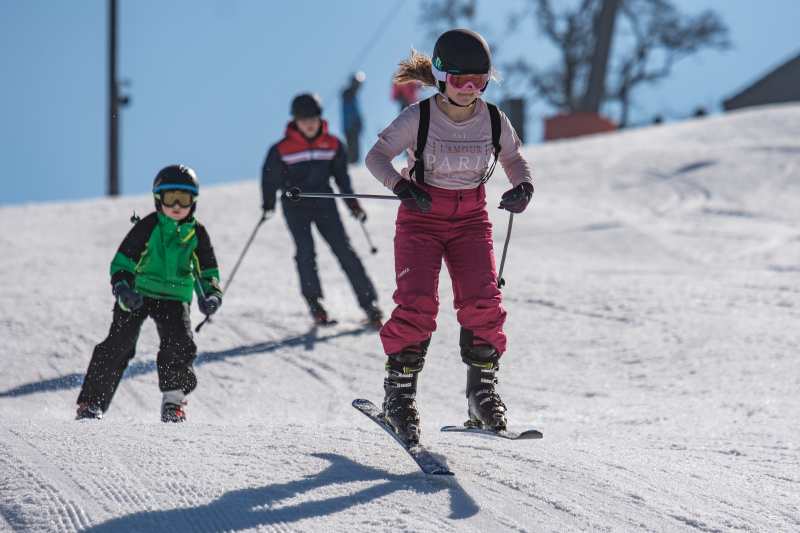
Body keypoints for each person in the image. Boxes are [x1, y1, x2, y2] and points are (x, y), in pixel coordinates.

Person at [365, 29, 535, 444]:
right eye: (461, 81)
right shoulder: (418, 118)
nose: (470, 90)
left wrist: (522, 186)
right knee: (418, 304)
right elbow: (376, 157)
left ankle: (481, 393)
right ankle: (399, 396)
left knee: (483, 302)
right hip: (421, 219)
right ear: (441, 77)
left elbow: (512, 157)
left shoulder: (493, 118)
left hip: (471, 220)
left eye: (480, 80)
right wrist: (399, 185)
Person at [76, 165, 222, 423]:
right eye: (170, 198)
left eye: (184, 199)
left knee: (180, 344)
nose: (177, 206)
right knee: (120, 343)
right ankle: (91, 403)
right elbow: (123, 261)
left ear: (194, 201)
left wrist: (211, 294)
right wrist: (123, 288)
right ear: (158, 200)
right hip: (137, 293)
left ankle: (173, 402)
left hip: (175, 298)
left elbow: (206, 269)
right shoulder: (148, 226)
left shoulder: (196, 233)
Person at [262, 93, 383, 326]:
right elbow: (269, 179)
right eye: (304, 119)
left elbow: (342, 179)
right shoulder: (281, 149)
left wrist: (353, 204)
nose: (309, 123)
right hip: (296, 206)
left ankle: (370, 304)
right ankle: (315, 303)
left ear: (320, 118)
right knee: (306, 252)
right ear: (295, 121)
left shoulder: (332, 144)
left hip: (324, 203)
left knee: (344, 250)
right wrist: (268, 204)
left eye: (314, 118)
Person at [341, 72, 365, 164]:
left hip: (352, 125)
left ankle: (352, 163)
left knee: (354, 147)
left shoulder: (352, 95)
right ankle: (351, 164)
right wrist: (355, 121)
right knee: (352, 147)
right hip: (350, 126)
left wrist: (359, 120)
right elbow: (350, 110)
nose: (359, 87)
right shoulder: (348, 94)